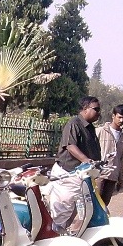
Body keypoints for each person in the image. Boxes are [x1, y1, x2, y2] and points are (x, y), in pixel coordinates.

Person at [44, 96, 102, 230]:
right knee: (62, 210)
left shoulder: (90, 127)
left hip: (81, 176)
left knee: (77, 209)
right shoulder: (74, 123)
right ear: (85, 108)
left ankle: (62, 235)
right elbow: (71, 146)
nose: (99, 113)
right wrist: (86, 160)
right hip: (67, 173)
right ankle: (52, 238)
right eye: (96, 109)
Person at [97, 104, 123, 206]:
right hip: (99, 175)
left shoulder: (122, 136)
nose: (121, 120)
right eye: (119, 117)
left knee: (104, 206)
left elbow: (120, 158)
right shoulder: (100, 131)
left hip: (113, 176)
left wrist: (120, 177)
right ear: (113, 116)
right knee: (94, 205)